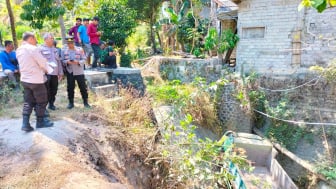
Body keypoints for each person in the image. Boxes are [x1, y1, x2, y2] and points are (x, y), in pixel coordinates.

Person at [16, 32, 54, 132]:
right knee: (42, 101)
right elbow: (42, 62)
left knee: (28, 101)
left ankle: (25, 123)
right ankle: (40, 122)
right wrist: (49, 70)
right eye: (35, 39)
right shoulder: (33, 49)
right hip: (36, 80)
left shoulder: (19, 50)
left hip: (25, 79)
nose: (36, 41)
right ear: (31, 38)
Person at [61, 36, 91, 109]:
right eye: (68, 43)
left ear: (73, 42)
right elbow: (62, 60)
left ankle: (86, 102)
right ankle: (71, 103)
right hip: (70, 71)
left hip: (79, 71)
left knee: (83, 87)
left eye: (71, 43)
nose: (70, 44)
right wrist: (67, 62)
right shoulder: (64, 50)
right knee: (70, 87)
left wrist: (78, 62)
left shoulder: (80, 49)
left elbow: (84, 59)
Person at [39, 33, 63, 110]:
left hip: (54, 73)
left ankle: (51, 104)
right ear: (45, 40)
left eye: (53, 38)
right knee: (45, 90)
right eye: (51, 38)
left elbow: (58, 62)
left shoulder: (55, 49)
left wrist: (60, 72)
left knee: (54, 89)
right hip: (46, 73)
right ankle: (43, 107)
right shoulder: (40, 49)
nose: (53, 39)